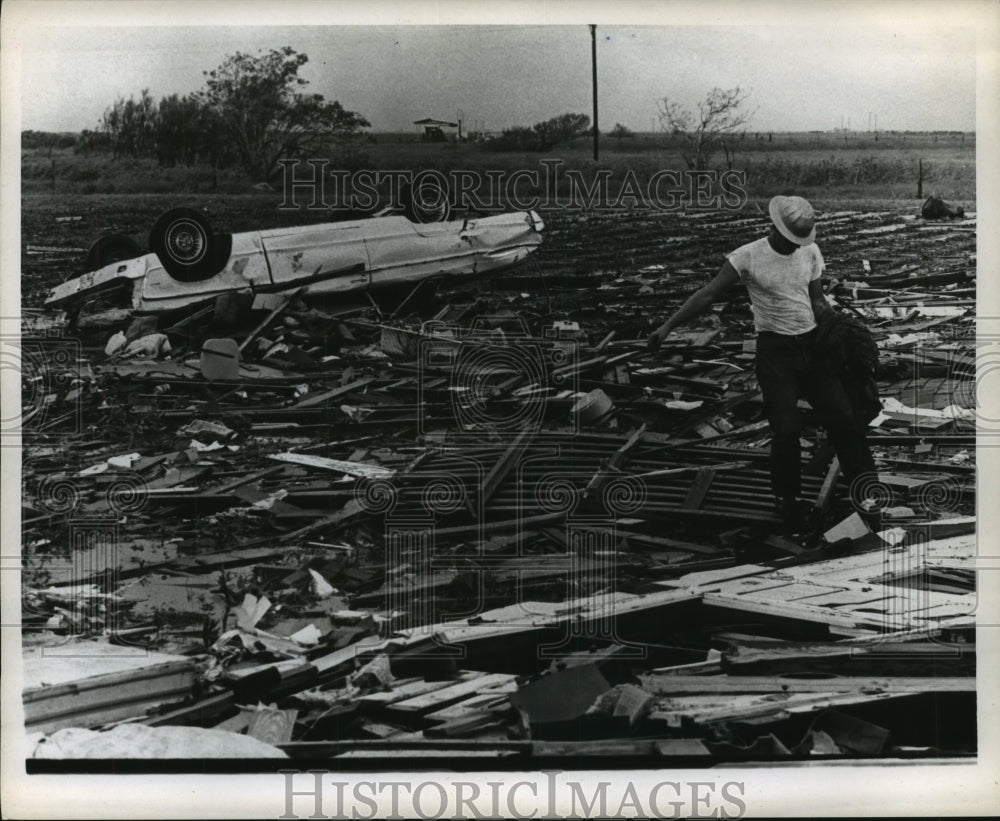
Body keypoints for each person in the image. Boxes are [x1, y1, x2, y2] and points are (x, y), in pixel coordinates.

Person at [648, 195, 876, 526]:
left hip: (813, 347)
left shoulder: (810, 251)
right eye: (790, 239)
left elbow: (816, 299)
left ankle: (867, 491)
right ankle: (788, 498)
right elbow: (708, 293)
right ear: (775, 227)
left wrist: (840, 327)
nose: (795, 245)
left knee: (844, 418)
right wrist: (667, 327)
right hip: (775, 353)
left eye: (800, 240)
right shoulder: (747, 256)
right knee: (786, 429)